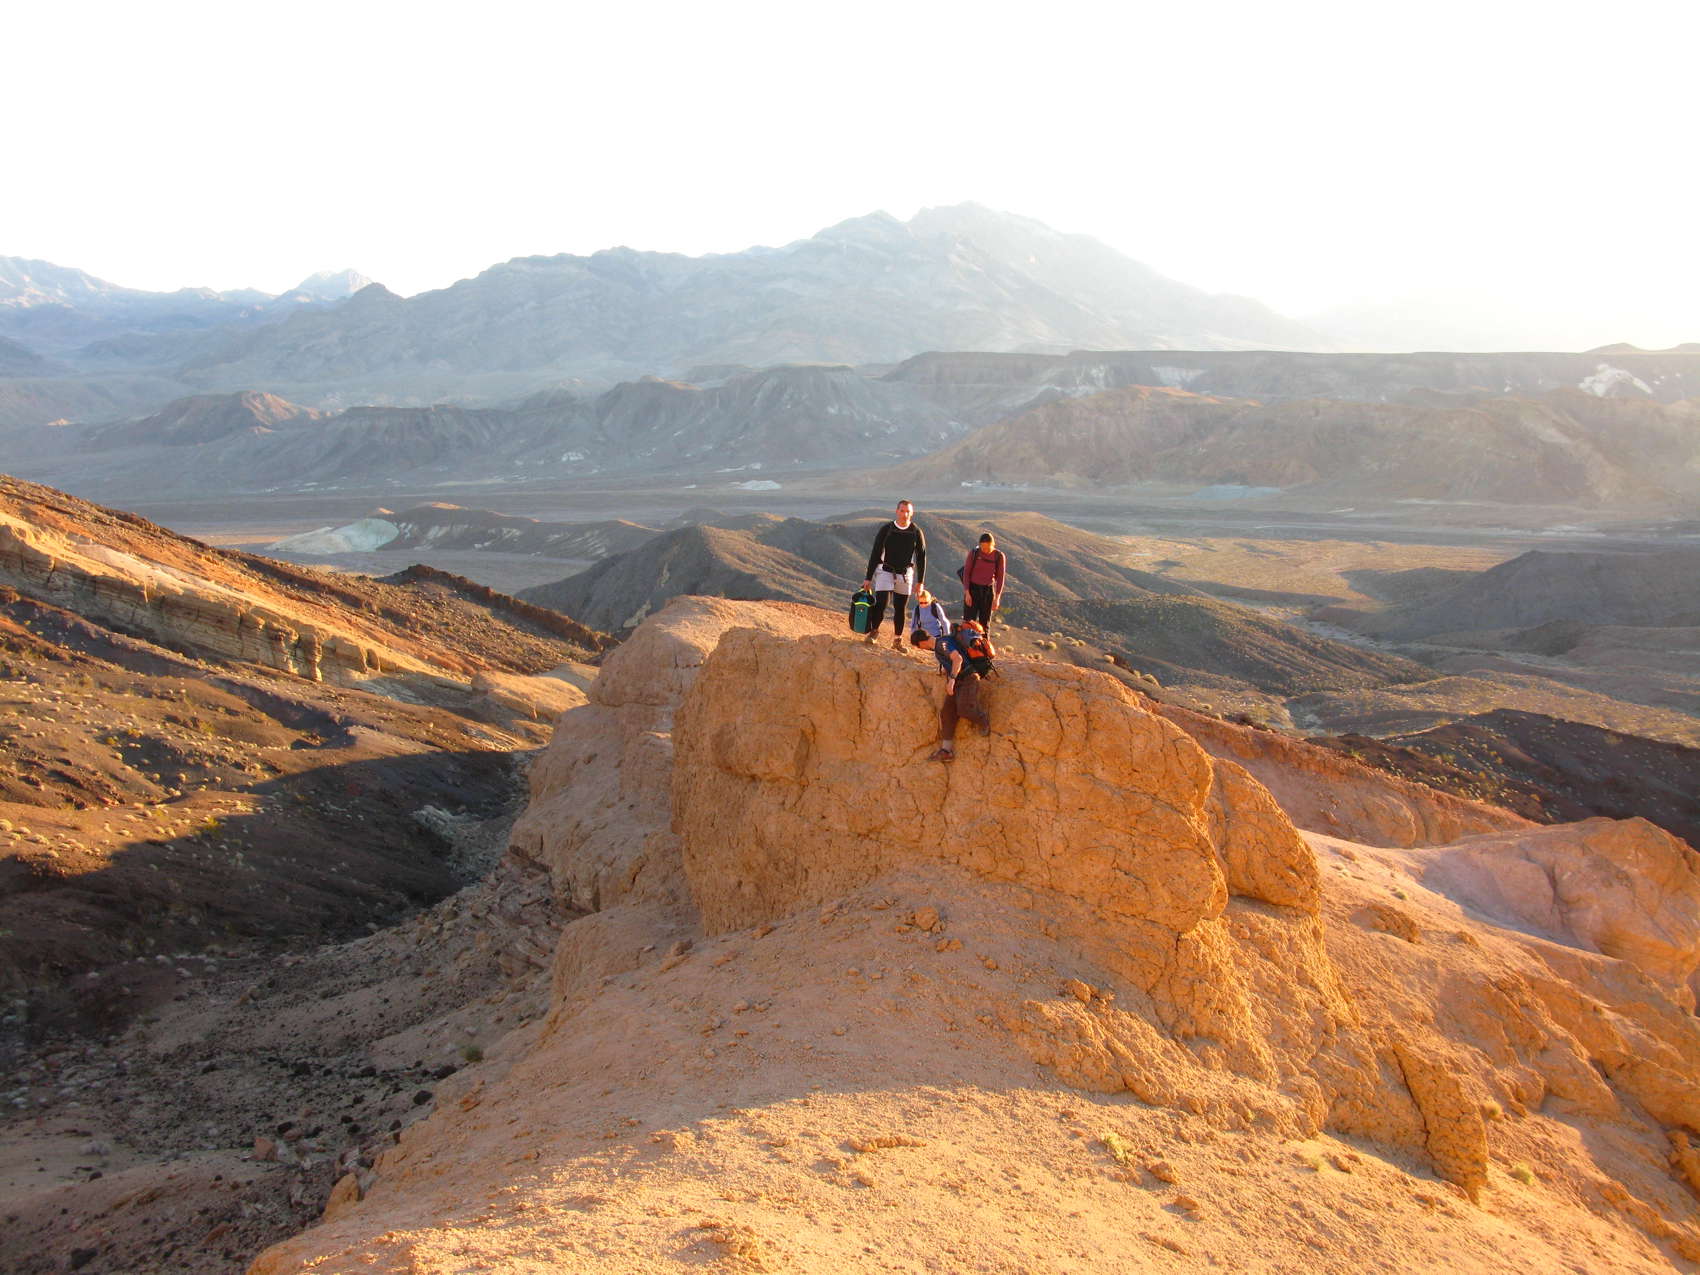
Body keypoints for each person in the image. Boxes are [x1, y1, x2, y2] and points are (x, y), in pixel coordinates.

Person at [924, 619, 994, 762]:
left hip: (968, 677)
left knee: (963, 710)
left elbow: (958, 659)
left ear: (921, 643)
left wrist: (952, 680)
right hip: (959, 680)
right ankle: (946, 751)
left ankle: (982, 720)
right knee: (947, 712)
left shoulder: (941, 644)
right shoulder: (944, 641)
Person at [863, 500, 927, 650]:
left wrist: (920, 581)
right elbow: (875, 553)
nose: (905, 514)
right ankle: (874, 632)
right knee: (882, 603)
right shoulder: (887, 529)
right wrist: (868, 577)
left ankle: (897, 640)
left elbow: (921, 557)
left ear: (912, 513)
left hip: (905, 574)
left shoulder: (916, 532)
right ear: (897, 511)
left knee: (900, 608)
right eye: (902, 511)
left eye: (908, 511)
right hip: (885, 570)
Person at [961, 532, 1006, 635]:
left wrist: (997, 598)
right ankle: (967, 644)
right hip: (972, 590)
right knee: (968, 622)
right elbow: (966, 573)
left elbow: (1001, 578)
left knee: (985, 624)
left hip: (988, 591)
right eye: (982, 547)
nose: (985, 550)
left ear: (993, 544)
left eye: (988, 547)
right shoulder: (974, 553)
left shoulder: (999, 556)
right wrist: (967, 593)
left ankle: (984, 644)